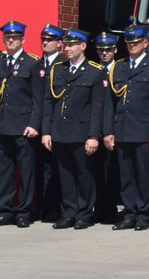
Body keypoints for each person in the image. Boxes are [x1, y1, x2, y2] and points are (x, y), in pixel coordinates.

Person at [103, 25, 149, 231]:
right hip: (122, 129)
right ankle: (130, 213)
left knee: (144, 174)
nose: (132, 46)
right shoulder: (119, 67)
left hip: (143, 129)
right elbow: (109, 103)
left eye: (136, 42)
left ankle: (144, 213)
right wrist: (108, 131)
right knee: (127, 175)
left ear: (145, 43)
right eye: (129, 43)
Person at [41, 29, 107, 230]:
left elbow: (98, 108)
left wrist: (94, 136)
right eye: (65, 45)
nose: (66, 48)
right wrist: (46, 131)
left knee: (84, 174)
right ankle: (68, 213)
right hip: (60, 131)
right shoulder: (57, 69)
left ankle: (84, 214)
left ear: (83, 46)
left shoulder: (95, 71)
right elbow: (48, 103)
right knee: (65, 175)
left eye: (71, 45)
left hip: (81, 132)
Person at [0, 21, 42, 228]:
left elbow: (38, 98)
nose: (10, 40)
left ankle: (24, 211)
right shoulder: (0, 61)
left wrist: (34, 124)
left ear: (23, 39)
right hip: (2, 124)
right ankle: (5, 209)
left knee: (25, 171)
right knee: (4, 170)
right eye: (7, 37)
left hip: (23, 125)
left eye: (15, 37)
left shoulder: (32, 63)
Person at [35, 23, 64, 222]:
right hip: (35, 127)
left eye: (50, 40)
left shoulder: (62, 65)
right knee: (39, 169)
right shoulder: (35, 65)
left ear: (59, 43)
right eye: (43, 40)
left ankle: (56, 208)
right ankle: (41, 207)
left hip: (56, 127)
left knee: (58, 169)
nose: (45, 43)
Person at [92, 31, 121, 225]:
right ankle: (98, 208)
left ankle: (111, 209)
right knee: (95, 172)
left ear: (115, 50)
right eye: (101, 50)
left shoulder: (121, 70)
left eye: (108, 50)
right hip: (94, 130)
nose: (104, 53)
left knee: (114, 172)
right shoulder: (92, 70)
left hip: (115, 130)